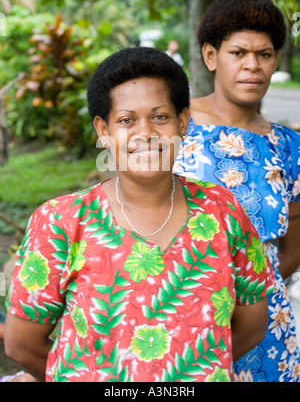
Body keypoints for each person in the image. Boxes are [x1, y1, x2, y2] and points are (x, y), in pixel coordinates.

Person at [4, 47, 274, 382]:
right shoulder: (61, 221)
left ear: (183, 122)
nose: (145, 133)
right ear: (104, 131)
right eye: (126, 120)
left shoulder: (222, 210)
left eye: (160, 117)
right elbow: (22, 344)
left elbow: (251, 326)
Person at [173, 0, 300, 382]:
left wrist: (248, 302)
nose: (252, 66)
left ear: (276, 60)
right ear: (211, 57)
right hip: (182, 325)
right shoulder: (173, 126)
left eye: (264, 54)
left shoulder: (289, 146)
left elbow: (291, 250)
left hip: (268, 334)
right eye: (239, 52)